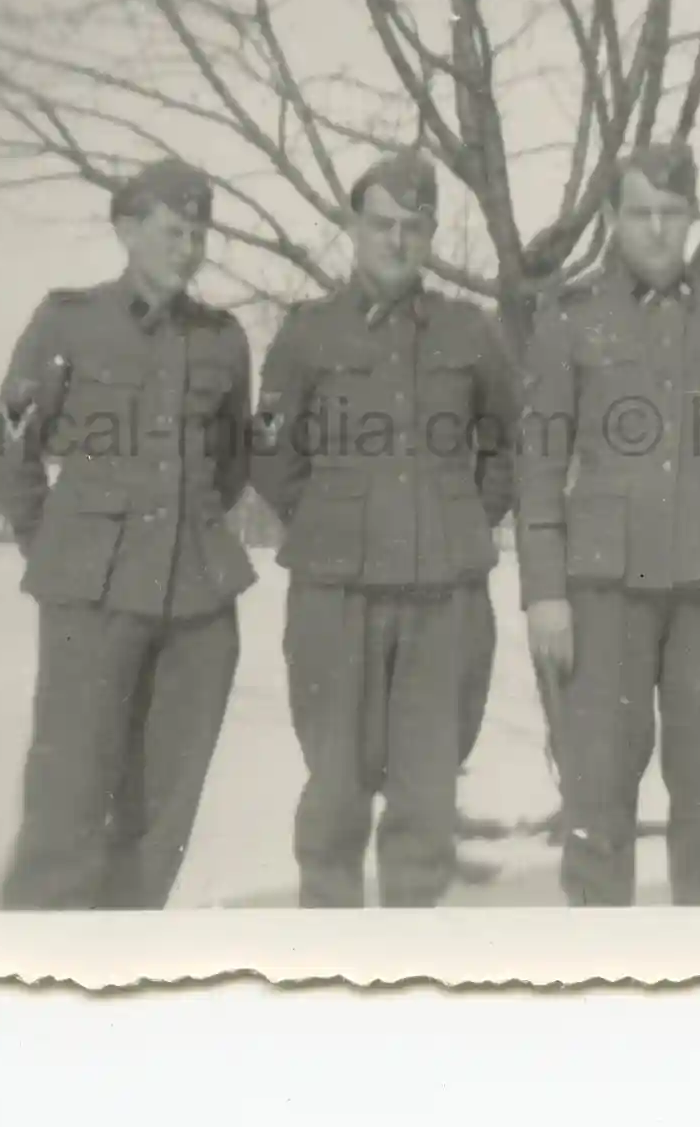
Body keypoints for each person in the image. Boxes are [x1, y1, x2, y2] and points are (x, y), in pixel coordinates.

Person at [516, 142, 700, 907]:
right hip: (605, 589)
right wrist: (542, 591)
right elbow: (538, 463)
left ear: (691, 218)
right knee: (598, 790)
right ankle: (601, 978)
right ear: (611, 218)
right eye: (639, 213)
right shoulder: (568, 319)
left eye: (671, 214)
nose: (655, 230)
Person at [0, 156, 257, 910]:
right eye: (174, 231)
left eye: (200, 233)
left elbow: (230, 464)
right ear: (127, 229)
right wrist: (57, 545)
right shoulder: (67, 321)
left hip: (198, 605)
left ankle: (120, 974)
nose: (189, 248)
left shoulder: (225, 340)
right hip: (91, 599)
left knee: (160, 816)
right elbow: (7, 446)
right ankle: (25, 980)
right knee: (66, 805)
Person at [250, 153, 519, 908]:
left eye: (413, 226)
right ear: (351, 227)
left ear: (431, 233)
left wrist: (465, 519)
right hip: (334, 598)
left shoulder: (471, 332)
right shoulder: (305, 334)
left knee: (426, 799)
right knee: (333, 789)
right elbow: (268, 447)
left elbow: (509, 441)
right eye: (380, 225)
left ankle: (405, 974)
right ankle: (327, 973)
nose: (396, 241)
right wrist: (323, 522)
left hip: (445, 600)